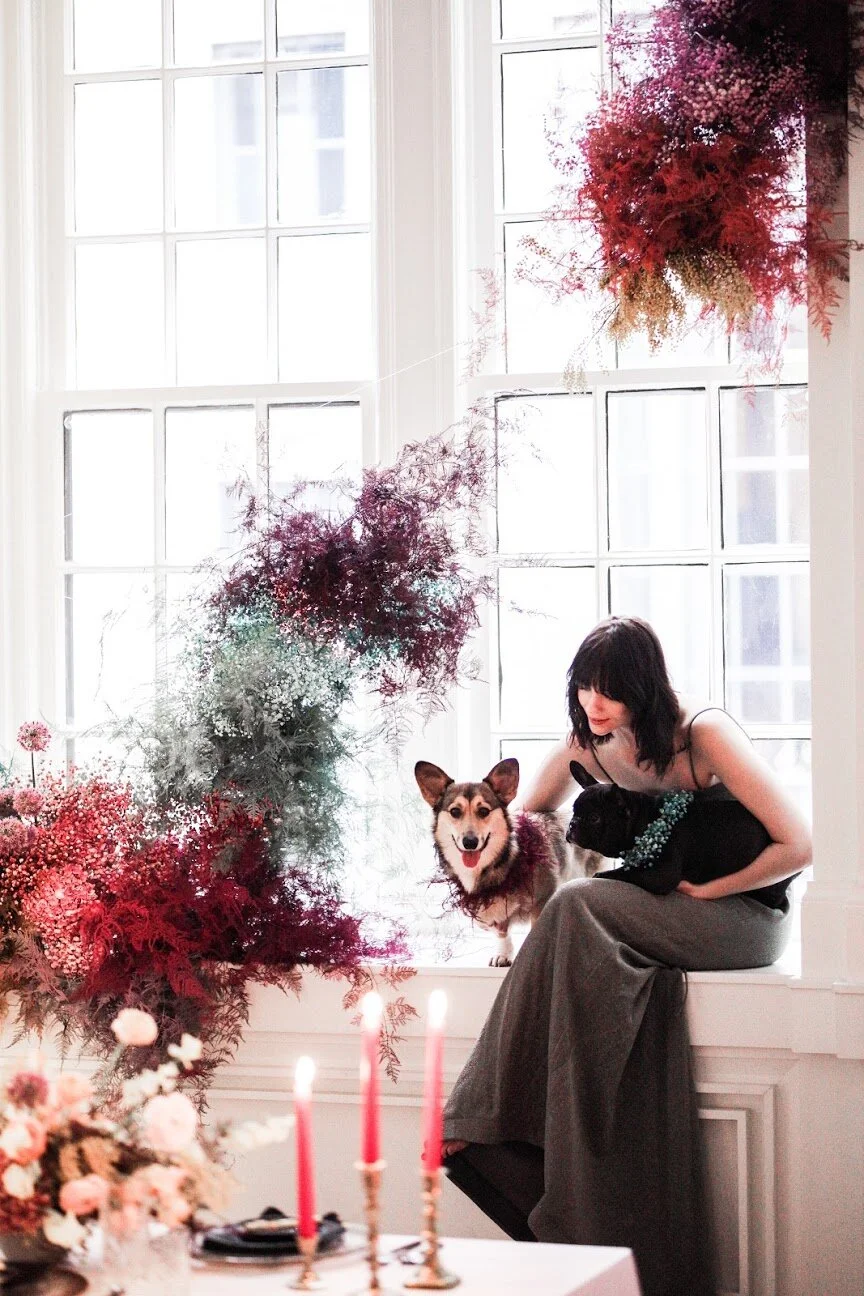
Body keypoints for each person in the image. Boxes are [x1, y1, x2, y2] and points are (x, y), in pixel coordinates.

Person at [441, 616, 811, 1296]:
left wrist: (708, 889)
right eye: (583, 688)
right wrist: (487, 875)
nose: (594, 704)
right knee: (575, 903)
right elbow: (529, 818)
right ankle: (510, 1132)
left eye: (609, 690)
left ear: (645, 686)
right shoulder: (591, 744)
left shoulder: (705, 736)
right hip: (659, 903)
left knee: (580, 904)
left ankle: (480, 1113)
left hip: (741, 915)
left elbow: (798, 844)